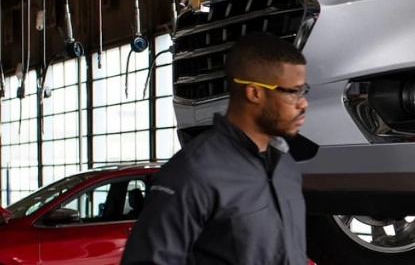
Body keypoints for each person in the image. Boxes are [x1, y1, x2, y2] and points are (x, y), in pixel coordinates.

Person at [121, 32, 310, 265]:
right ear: (255, 92)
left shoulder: (287, 168)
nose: (303, 103)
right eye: (293, 92)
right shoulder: (192, 173)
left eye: (304, 90)